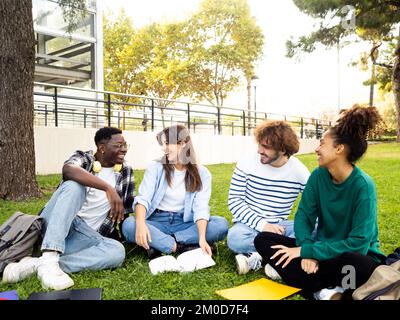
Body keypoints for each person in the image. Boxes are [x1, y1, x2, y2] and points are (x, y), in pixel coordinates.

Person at [254, 105, 387, 300]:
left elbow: (358, 244)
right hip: (322, 249)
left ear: (339, 149)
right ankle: (324, 290)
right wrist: (307, 251)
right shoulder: (318, 176)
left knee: (357, 264)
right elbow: (303, 217)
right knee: (263, 239)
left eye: (322, 143)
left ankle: (309, 285)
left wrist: (309, 252)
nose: (317, 148)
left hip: (351, 257)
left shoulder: (363, 186)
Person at [2, 127, 134, 290]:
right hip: (58, 226)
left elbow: (126, 211)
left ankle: (38, 265)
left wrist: (132, 234)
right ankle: (50, 256)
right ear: (102, 147)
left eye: (125, 145)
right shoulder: (84, 158)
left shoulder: (125, 170)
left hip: (85, 237)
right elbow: (68, 169)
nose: (124, 149)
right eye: (119, 145)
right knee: (74, 186)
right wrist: (108, 188)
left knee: (117, 252)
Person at [122, 125, 228, 258]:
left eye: (167, 143)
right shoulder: (155, 167)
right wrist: (141, 224)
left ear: (182, 143)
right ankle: (180, 246)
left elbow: (201, 208)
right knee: (129, 225)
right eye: (163, 144)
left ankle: (160, 243)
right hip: (157, 222)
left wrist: (201, 238)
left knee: (221, 225)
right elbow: (143, 199)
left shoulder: (202, 173)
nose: (164, 148)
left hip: (185, 223)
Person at [227, 120, 310, 274]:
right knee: (234, 238)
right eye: (259, 144)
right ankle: (279, 256)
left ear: (283, 149)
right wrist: (263, 225)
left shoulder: (300, 171)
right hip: (248, 227)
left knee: (317, 230)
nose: (259, 150)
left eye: (265, 147)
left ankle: (259, 256)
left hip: (280, 228)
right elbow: (235, 201)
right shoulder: (246, 162)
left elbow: (314, 207)